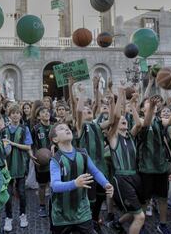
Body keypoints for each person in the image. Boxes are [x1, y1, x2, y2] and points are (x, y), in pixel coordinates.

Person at [49, 122, 114, 234]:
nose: (66, 129)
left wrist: (106, 184)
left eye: (67, 127)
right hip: (61, 214)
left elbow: (95, 171)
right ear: (55, 139)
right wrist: (75, 183)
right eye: (61, 129)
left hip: (82, 211)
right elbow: (55, 186)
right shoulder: (55, 160)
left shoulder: (83, 153)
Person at [136, 93, 171, 234]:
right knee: (145, 200)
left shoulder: (159, 120)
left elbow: (170, 121)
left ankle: (162, 225)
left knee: (163, 198)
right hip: (146, 168)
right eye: (147, 103)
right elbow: (145, 124)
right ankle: (142, 225)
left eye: (153, 103)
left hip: (161, 167)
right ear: (142, 109)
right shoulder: (139, 120)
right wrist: (151, 106)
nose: (152, 104)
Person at [106, 87, 144, 234]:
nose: (124, 121)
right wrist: (121, 95)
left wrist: (133, 106)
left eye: (125, 121)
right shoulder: (113, 138)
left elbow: (139, 124)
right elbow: (116, 117)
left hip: (135, 176)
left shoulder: (131, 136)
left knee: (137, 208)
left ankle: (117, 223)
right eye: (121, 121)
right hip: (122, 178)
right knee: (139, 216)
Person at [75, 83, 112, 233]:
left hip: (101, 168)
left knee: (100, 197)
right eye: (85, 110)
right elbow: (78, 110)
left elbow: (112, 119)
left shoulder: (97, 125)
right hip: (87, 169)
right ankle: (88, 224)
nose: (87, 110)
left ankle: (95, 221)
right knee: (90, 200)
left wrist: (110, 101)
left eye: (89, 109)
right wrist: (82, 93)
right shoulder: (80, 126)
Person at [1, 105, 34, 230]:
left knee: (21, 192)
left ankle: (23, 215)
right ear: (9, 115)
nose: (15, 115)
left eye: (17, 113)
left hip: (20, 164)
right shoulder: (4, 130)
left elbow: (28, 147)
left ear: (21, 115)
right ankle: (8, 218)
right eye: (13, 113)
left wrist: (12, 143)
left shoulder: (24, 129)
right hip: (7, 165)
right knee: (8, 194)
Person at [31, 106, 53, 217]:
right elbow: (31, 144)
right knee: (42, 185)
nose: (46, 113)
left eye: (47, 111)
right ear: (38, 116)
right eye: (43, 112)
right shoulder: (35, 129)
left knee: (54, 184)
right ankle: (42, 206)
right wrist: (33, 156)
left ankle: (54, 205)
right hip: (41, 162)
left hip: (55, 161)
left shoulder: (55, 127)